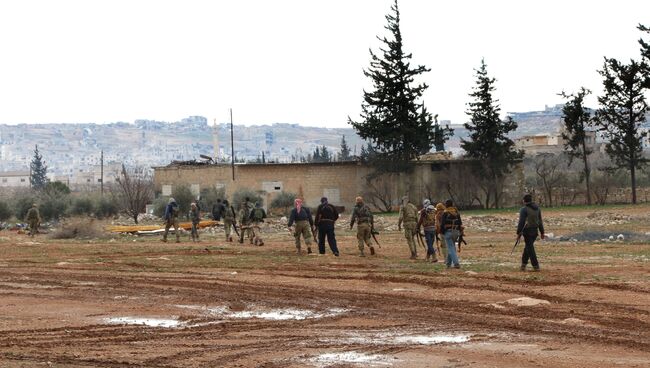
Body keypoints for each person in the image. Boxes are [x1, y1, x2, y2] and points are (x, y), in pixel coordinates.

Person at [517, 194, 545, 271]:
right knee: (528, 247)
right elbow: (540, 221)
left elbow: (521, 222)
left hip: (527, 232)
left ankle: (536, 266)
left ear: (524, 201)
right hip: (535, 231)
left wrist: (519, 233)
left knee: (530, 248)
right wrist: (542, 232)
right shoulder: (538, 209)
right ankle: (523, 264)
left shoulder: (524, 209)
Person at [440, 199, 462, 268]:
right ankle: (448, 264)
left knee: (451, 248)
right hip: (456, 232)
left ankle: (456, 263)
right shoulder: (456, 212)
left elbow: (442, 224)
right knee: (451, 247)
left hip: (448, 232)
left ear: (446, 205)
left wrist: (442, 232)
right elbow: (460, 223)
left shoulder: (445, 213)